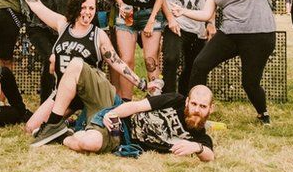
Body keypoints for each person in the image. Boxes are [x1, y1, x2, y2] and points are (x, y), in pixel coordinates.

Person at [1, 0, 160, 146]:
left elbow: (117, 63)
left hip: (88, 93)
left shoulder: (97, 35)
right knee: (31, 127)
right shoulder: (63, 25)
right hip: (63, 93)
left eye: (91, 8)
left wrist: (142, 83)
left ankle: (67, 123)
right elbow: (35, 5)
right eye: (84, 7)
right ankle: (64, 126)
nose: (87, 12)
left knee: (77, 68)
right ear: (76, 7)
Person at [172, 0, 293, 125]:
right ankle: (193, 112)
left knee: (250, 83)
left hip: (259, 33)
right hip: (230, 33)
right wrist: (183, 11)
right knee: (200, 64)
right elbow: (207, 13)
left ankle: (263, 114)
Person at [49, 61, 216, 162]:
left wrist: (196, 148)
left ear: (210, 108)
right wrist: (112, 113)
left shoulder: (199, 137)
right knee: (78, 66)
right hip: (118, 113)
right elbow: (136, 106)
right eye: (194, 104)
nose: (196, 110)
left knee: (88, 143)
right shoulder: (176, 100)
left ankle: (63, 135)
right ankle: (56, 123)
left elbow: (210, 156)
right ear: (187, 101)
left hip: (121, 136)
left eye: (202, 106)